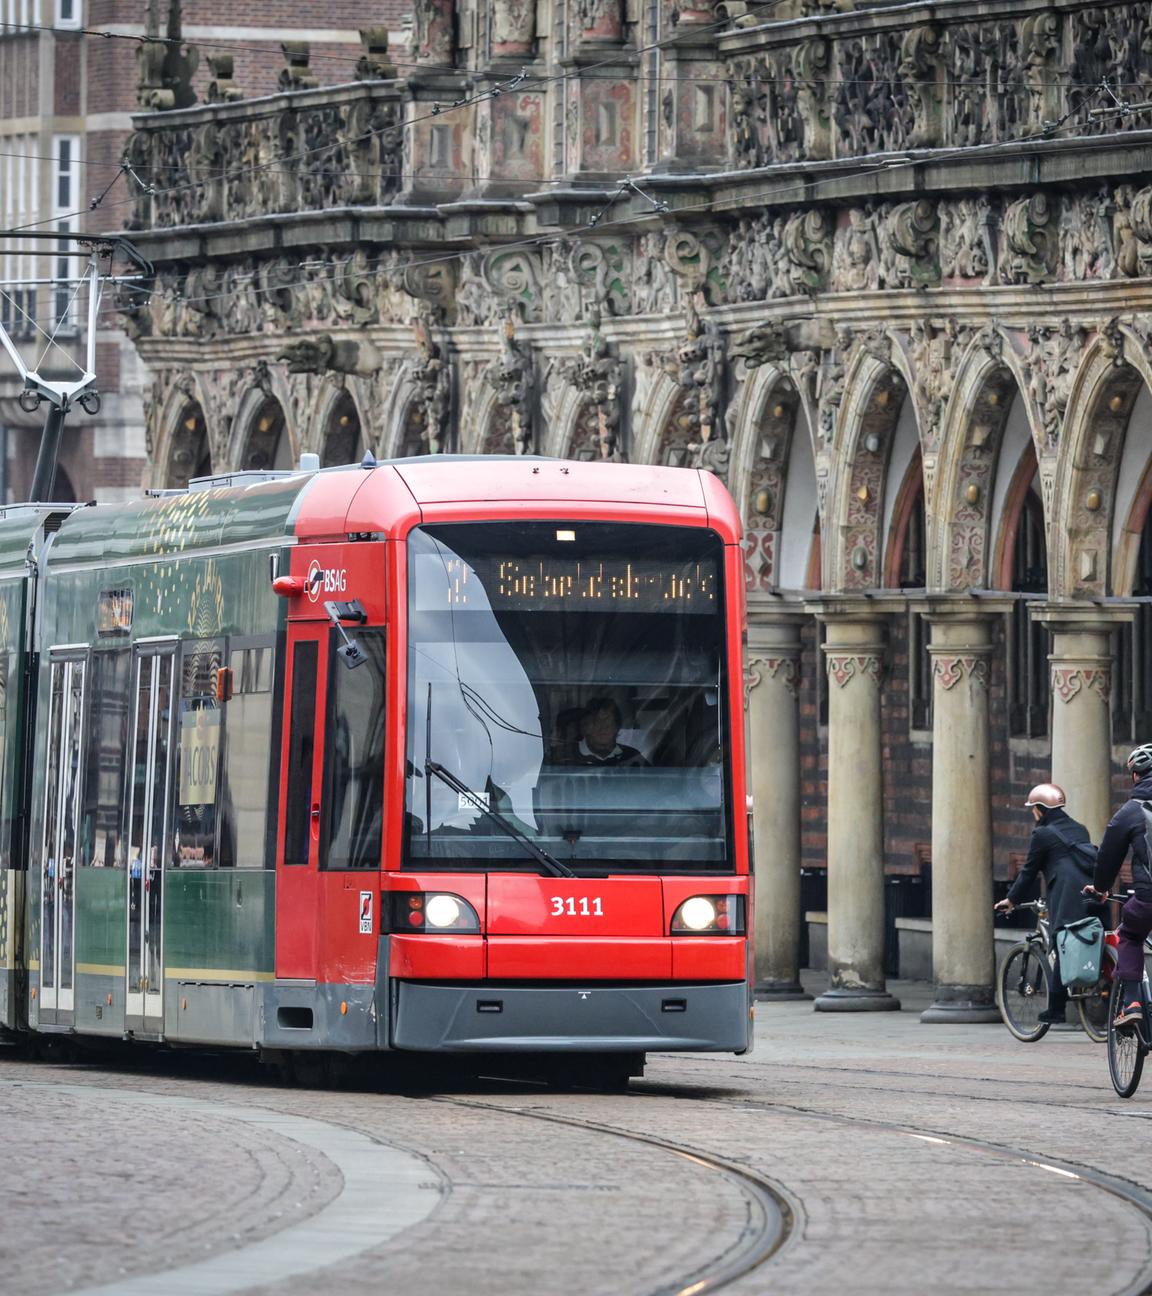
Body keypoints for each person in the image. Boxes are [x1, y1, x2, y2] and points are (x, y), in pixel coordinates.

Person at [995, 783, 1096, 1025]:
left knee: (1063, 943)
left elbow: (1029, 871)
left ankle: (1057, 1009)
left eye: (1033, 809)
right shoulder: (1079, 829)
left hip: (1066, 895)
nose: (1033, 814)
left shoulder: (1042, 835)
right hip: (1092, 890)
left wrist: (1011, 899)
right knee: (1089, 937)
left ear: (1040, 809)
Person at [1083, 745, 1152, 1028]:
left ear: (1135, 776)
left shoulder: (1130, 813)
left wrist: (1100, 888)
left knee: (1130, 935)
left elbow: (1108, 858)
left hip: (1148, 898)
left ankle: (1132, 1003)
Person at [570, 697, 648, 767]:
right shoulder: (566, 755)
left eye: (608, 722)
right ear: (584, 727)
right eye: (597, 722)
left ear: (617, 727)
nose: (603, 728)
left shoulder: (632, 757)